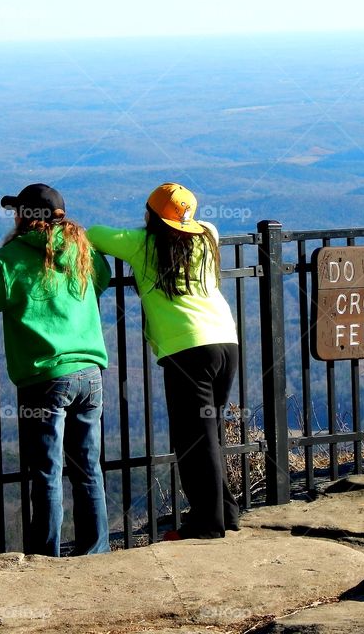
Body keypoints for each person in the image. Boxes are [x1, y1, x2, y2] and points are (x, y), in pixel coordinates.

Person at [0, 183, 111, 556]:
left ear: (24, 218)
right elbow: (102, 278)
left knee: (47, 472)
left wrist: (2, 254)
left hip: (45, 376)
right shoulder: (82, 249)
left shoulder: (11, 257)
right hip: (90, 371)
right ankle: (96, 551)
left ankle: (47, 556)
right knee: (88, 467)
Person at [88, 182, 240, 539]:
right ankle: (226, 512)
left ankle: (206, 523)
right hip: (225, 340)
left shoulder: (142, 244)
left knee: (193, 438)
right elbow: (200, 225)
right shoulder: (208, 235)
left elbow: (95, 234)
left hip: (187, 349)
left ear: (151, 216)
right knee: (210, 430)